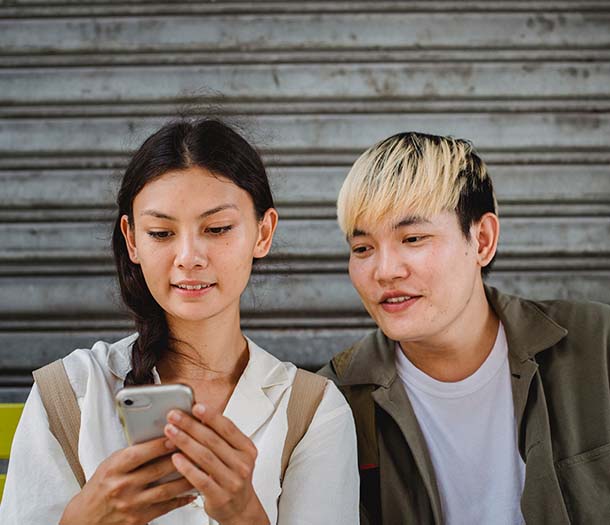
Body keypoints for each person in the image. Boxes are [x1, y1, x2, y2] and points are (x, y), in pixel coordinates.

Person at [0, 119, 359, 525]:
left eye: (218, 228)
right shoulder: (67, 393)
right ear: (132, 239)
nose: (189, 256)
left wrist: (246, 516)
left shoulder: (312, 411)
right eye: (161, 233)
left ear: (264, 232)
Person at [319, 131, 610, 525]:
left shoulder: (598, 344)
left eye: (413, 238)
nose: (384, 271)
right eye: (362, 248)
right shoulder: (334, 405)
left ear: (482, 240)